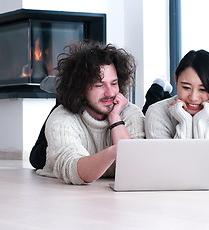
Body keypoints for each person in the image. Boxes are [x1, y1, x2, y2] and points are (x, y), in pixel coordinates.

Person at [35, 40, 145, 185]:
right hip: (50, 151)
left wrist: (115, 119)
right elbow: (73, 170)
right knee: (36, 158)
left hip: (88, 115)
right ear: (81, 88)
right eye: (99, 85)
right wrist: (114, 151)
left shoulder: (130, 112)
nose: (110, 92)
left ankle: (64, 90)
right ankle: (63, 92)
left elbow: (135, 168)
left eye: (114, 83)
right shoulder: (61, 118)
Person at [144, 50, 209, 171]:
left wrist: (201, 121)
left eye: (203, 89)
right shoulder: (156, 113)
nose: (194, 97)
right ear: (176, 81)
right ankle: (159, 88)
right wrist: (184, 121)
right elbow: (170, 170)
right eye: (186, 87)